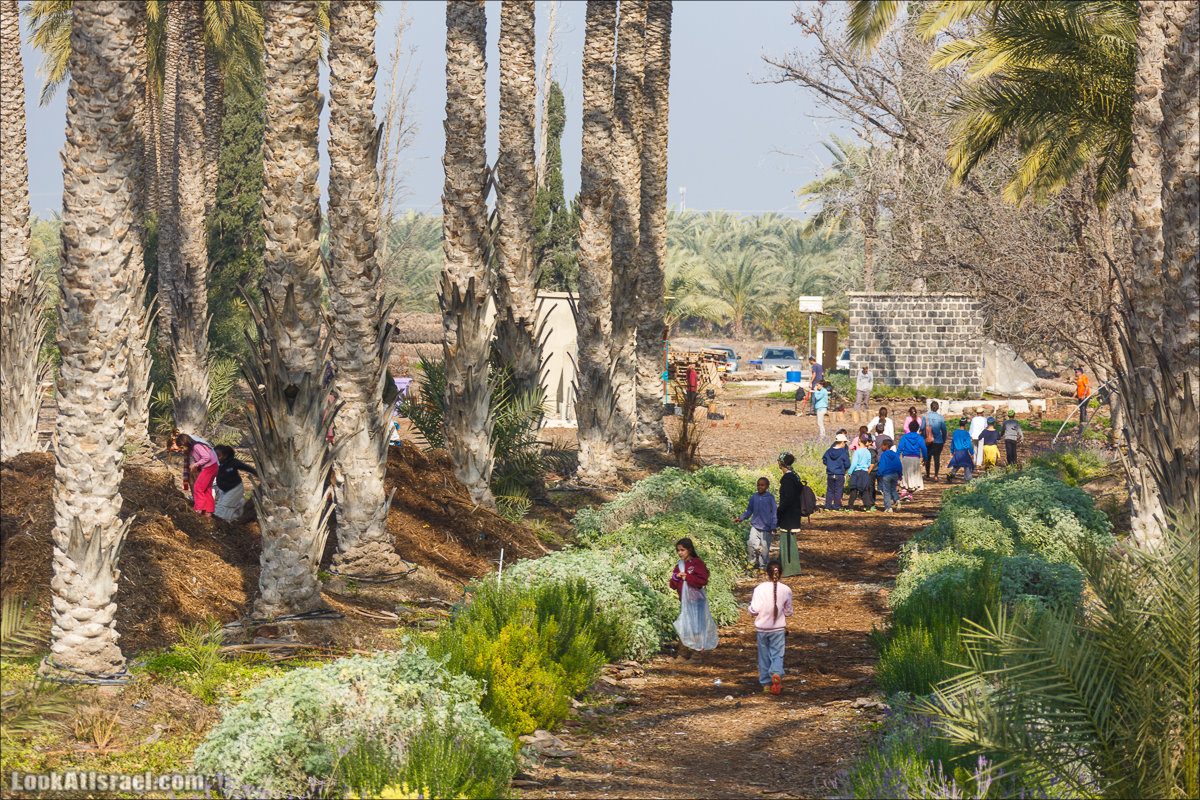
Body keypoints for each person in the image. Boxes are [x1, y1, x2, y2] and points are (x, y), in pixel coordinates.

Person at [748, 560, 793, 695]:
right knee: (777, 654)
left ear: (766, 574)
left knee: (764, 656)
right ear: (781, 574)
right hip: (778, 629)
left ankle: (766, 684)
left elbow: (754, 609)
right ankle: (777, 673)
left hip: (762, 629)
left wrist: (749, 609)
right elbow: (788, 612)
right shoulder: (786, 590)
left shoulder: (759, 589)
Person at [670, 538, 718, 659]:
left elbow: (703, 580)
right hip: (685, 601)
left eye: (682, 550)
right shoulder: (679, 565)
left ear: (689, 550)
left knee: (696, 628)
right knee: (684, 626)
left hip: (696, 601)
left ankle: (696, 655)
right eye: (678, 550)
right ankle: (682, 653)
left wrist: (688, 578)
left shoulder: (697, 563)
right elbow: (672, 585)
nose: (680, 553)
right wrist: (676, 577)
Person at [735, 477, 778, 573]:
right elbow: (749, 510)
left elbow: (774, 512)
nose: (760, 487)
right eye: (758, 484)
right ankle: (752, 561)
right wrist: (741, 518)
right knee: (751, 544)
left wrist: (773, 525)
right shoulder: (754, 497)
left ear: (767, 486)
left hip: (766, 528)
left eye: (762, 485)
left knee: (765, 549)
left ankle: (763, 566)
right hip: (755, 526)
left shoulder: (770, 498)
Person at [173, 433, 218, 516]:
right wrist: (194, 462)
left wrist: (196, 465)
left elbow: (206, 457)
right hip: (213, 466)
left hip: (209, 468)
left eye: (182, 448)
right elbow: (199, 457)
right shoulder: (193, 449)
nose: (182, 450)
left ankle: (199, 508)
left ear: (186, 443)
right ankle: (209, 511)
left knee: (198, 487)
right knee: (207, 489)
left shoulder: (196, 446)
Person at [775, 454, 805, 578]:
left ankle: (790, 569)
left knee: (787, 541)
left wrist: (778, 511)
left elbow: (788, 499)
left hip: (788, 515)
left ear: (781, 463)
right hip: (794, 513)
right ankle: (788, 567)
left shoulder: (787, 479)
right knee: (789, 540)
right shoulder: (794, 476)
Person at [213, 445, 257, 523]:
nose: (216, 458)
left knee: (225, 506)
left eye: (218, 456)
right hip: (224, 490)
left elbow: (247, 468)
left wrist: (257, 474)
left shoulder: (233, 462)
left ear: (225, 456)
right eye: (214, 455)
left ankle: (222, 521)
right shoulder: (217, 464)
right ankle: (238, 505)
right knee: (220, 505)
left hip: (235, 488)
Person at [896, 420, 928, 498]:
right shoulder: (919, 437)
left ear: (909, 428)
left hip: (906, 458)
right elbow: (924, 448)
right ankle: (910, 493)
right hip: (915, 459)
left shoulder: (904, 437)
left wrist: (896, 457)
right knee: (914, 475)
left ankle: (904, 490)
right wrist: (925, 459)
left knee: (905, 474)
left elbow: (900, 448)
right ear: (917, 428)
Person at [822, 433, 851, 510]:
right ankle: (836, 506)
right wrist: (844, 468)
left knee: (830, 490)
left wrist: (829, 465)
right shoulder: (843, 453)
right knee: (838, 490)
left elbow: (824, 460)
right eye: (845, 442)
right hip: (840, 474)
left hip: (830, 473)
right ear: (842, 442)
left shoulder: (828, 451)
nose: (845, 444)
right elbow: (847, 463)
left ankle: (827, 506)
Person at [846, 435, 875, 511]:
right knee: (865, 490)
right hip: (865, 472)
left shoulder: (857, 452)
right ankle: (868, 507)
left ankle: (850, 507)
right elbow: (869, 463)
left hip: (856, 472)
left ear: (859, 441)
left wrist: (849, 472)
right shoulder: (868, 452)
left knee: (854, 490)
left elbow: (854, 463)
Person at [921, 401, 948, 481]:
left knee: (928, 458)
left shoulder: (925, 416)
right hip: (938, 441)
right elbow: (944, 430)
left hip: (928, 441)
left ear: (930, 407)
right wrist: (944, 440)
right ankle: (936, 476)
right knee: (937, 459)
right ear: (938, 408)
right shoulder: (940, 417)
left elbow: (922, 428)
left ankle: (928, 475)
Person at [876, 438, 902, 513]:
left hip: (886, 475)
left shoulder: (884, 455)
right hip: (895, 474)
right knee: (893, 489)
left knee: (886, 491)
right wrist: (900, 474)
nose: (881, 447)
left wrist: (879, 474)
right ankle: (897, 500)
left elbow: (882, 465)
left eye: (882, 445)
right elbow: (899, 465)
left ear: (886, 446)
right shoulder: (895, 454)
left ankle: (888, 507)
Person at [947, 418, 976, 483]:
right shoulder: (966, 433)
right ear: (966, 425)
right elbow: (969, 444)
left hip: (957, 451)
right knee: (967, 465)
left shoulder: (955, 432)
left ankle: (951, 474)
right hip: (964, 452)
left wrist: (951, 451)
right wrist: (971, 453)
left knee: (957, 465)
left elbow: (953, 442)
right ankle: (969, 478)